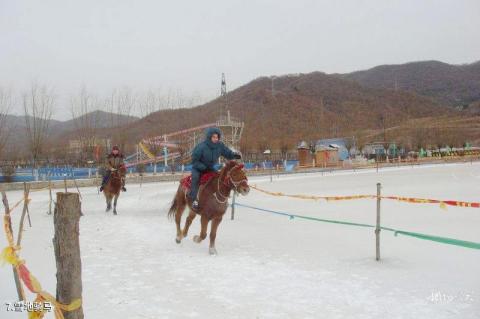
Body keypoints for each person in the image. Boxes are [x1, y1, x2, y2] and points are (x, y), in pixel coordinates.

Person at [189, 127, 241, 210]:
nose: (216, 139)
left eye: (217, 137)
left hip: (209, 167)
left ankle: (217, 199)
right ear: (209, 137)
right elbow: (194, 160)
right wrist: (202, 167)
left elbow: (226, 152)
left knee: (218, 178)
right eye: (214, 137)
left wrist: (234, 155)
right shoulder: (201, 146)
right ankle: (194, 200)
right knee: (195, 179)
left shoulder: (220, 145)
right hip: (198, 168)